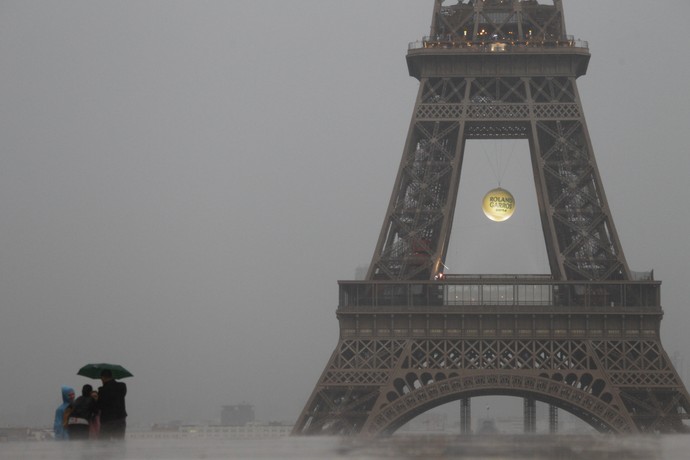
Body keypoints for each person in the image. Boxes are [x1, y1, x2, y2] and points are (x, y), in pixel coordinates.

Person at [96, 369, 127, 439]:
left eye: (101, 378)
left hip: (107, 420)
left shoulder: (102, 390)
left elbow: (99, 406)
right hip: (120, 419)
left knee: (104, 444)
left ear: (103, 377)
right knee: (119, 442)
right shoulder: (122, 386)